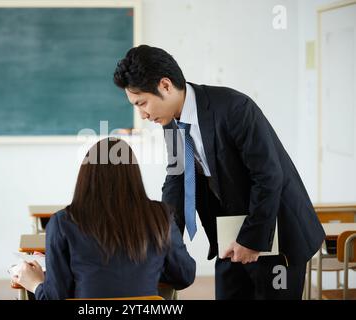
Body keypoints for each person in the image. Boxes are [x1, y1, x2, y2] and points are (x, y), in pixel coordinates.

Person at [113, 45, 325, 300]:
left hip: (275, 234)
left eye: (142, 103)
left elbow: (268, 177)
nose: (142, 114)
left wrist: (252, 240)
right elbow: (177, 180)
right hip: (229, 236)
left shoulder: (234, 108)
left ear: (165, 86)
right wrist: (163, 241)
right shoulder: (170, 122)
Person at [14, 137, 196, 299]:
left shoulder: (62, 222)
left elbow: (56, 296)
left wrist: (35, 283)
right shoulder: (161, 216)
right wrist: (147, 266)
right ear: (134, 175)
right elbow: (184, 275)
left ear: (85, 177)